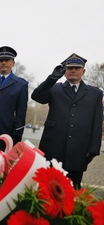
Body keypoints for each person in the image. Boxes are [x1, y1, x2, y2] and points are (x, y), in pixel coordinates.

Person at [31, 53, 103, 189]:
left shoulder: (95, 93)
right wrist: (52, 78)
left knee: (72, 189)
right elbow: (37, 96)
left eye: (77, 68)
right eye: (70, 68)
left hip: (79, 150)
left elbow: (97, 122)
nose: (73, 70)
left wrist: (94, 148)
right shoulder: (54, 88)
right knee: (47, 188)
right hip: (53, 147)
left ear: (83, 71)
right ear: (64, 72)